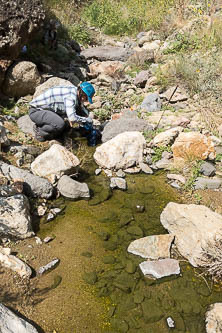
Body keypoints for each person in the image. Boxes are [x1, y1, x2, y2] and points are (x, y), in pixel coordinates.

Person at [29, 82, 95, 142]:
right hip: (36, 111)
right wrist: (86, 120)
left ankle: (56, 132)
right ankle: (40, 131)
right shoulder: (70, 96)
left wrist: (87, 118)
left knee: (66, 124)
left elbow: (81, 109)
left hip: (48, 110)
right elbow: (72, 118)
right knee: (60, 124)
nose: (86, 101)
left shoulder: (75, 91)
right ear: (82, 93)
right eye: (86, 98)